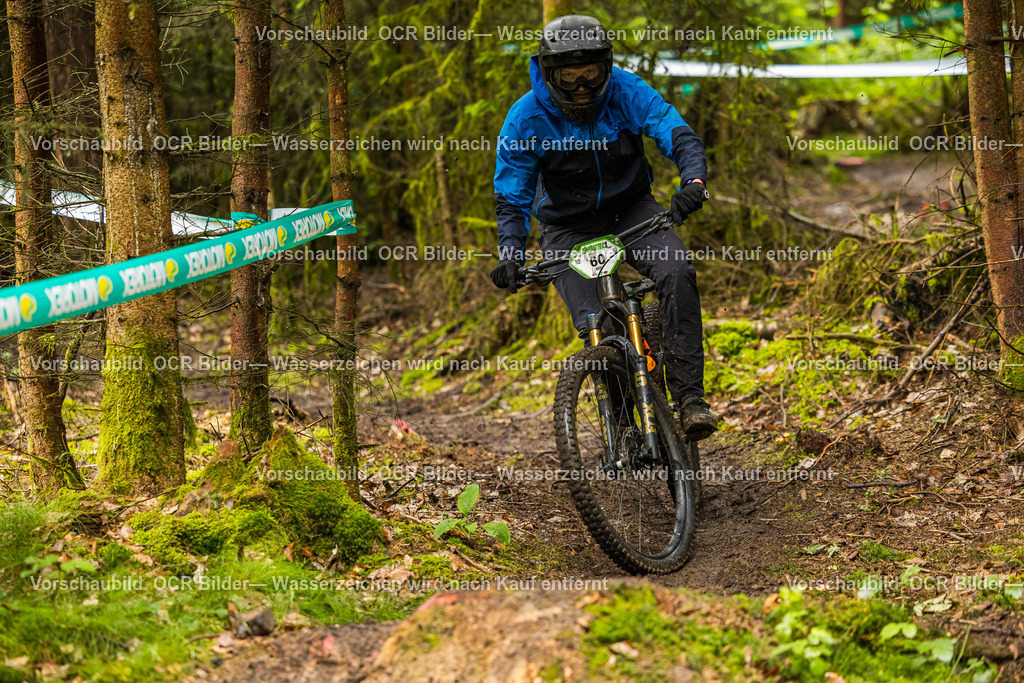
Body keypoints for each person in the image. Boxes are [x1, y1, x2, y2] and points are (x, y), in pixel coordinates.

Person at [488, 14, 717, 440]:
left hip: (632, 211)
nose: (582, 87)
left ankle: (690, 400)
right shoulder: (525, 118)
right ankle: (630, 426)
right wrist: (510, 254)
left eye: (591, 74)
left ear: (606, 67)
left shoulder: (627, 90)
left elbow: (676, 133)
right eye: (570, 76)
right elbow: (512, 196)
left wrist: (694, 183)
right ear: (549, 73)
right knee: (597, 325)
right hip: (566, 229)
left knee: (677, 272)